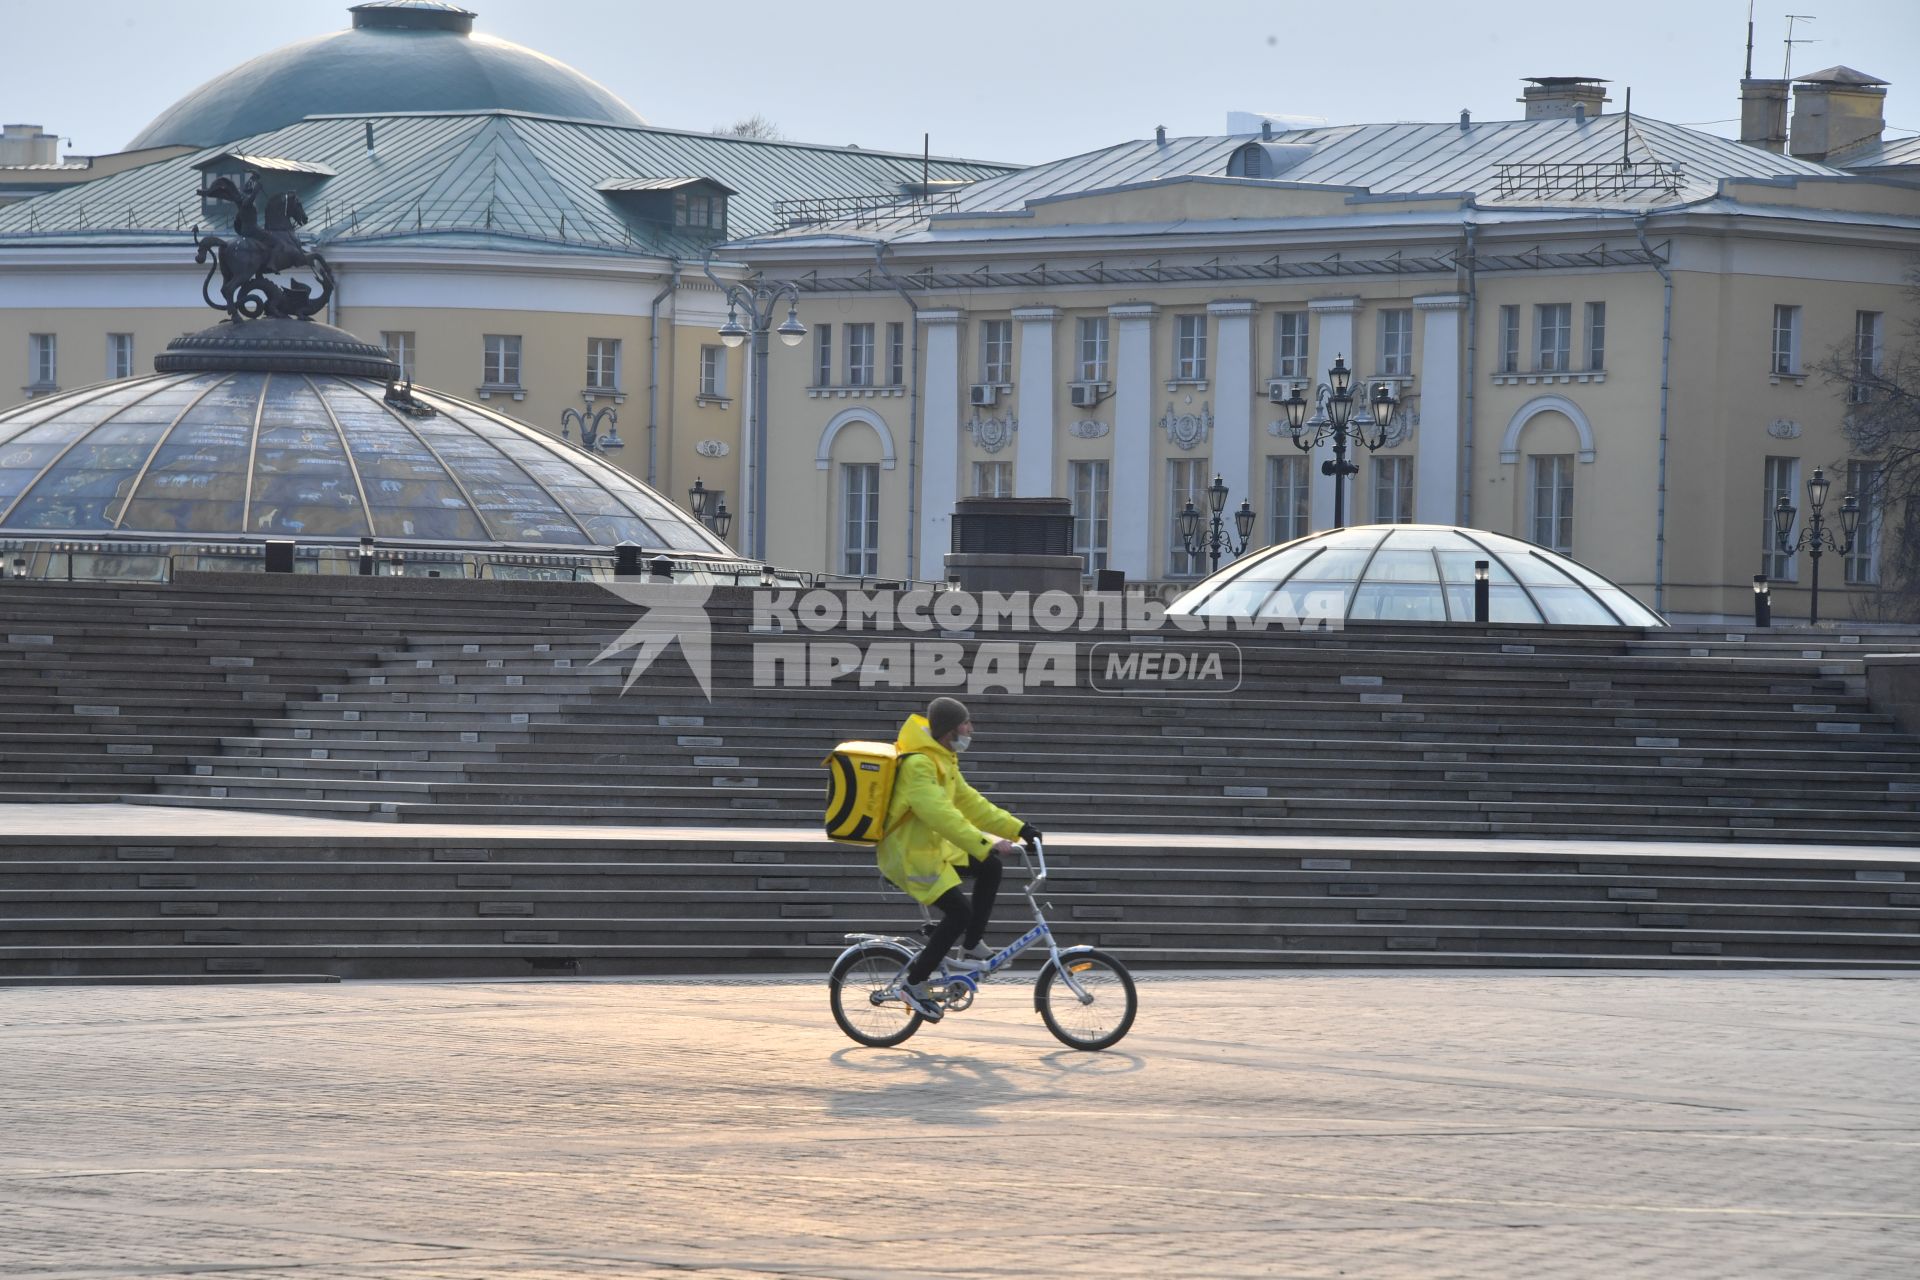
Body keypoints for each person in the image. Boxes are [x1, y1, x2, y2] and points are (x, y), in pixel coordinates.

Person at [876, 696, 1040, 1022]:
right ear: (950, 730)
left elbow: (971, 804)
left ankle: (971, 945)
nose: (971, 729)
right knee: (959, 911)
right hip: (910, 857)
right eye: (966, 723)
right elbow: (942, 816)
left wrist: (1020, 828)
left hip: (932, 849)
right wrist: (986, 842)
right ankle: (914, 983)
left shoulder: (943, 760)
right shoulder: (919, 765)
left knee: (990, 867)